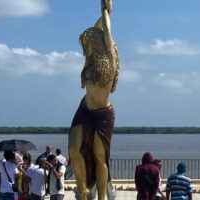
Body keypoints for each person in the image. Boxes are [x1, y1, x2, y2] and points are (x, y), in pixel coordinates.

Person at [68, 0, 119, 200]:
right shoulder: (90, 61)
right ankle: (82, 190)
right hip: (85, 109)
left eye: (88, 44)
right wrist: (98, 21)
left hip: (103, 114)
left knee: (99, 157)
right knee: (73, 147)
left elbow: (106, 31)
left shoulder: (110, 60)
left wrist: (105, 11)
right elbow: (96, 30)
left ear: (97, 45)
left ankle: (101, 198)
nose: (85, 49)